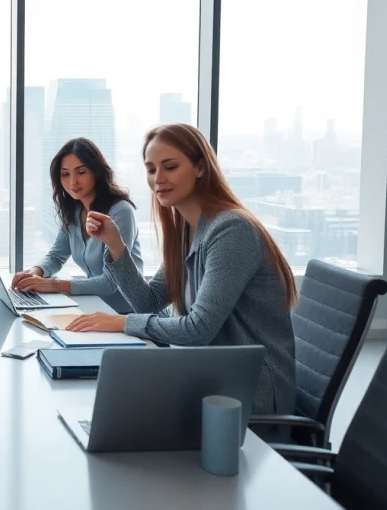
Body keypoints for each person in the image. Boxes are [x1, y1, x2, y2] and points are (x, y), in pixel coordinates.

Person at [67, 123, 297, 415]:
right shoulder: (188, 231)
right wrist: (115, 245)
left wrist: (122, 323)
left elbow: (199, 330)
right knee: (107, 402)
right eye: (151, 170)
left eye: (170, 167)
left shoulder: (231, 230)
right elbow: (148, 302)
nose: (158, 179)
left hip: (250, 392)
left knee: (124, 412)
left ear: (200, 168)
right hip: (210, 374)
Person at [11, 138, 143, 313]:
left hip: (130, 314)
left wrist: (53, 285)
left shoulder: (120, 211)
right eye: (65, 174)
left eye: (81, 172)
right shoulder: (74, 210)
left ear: (96, 172)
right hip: (96, 309)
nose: (72, 182)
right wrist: (35, 273)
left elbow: (111, 282)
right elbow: (56, 256)